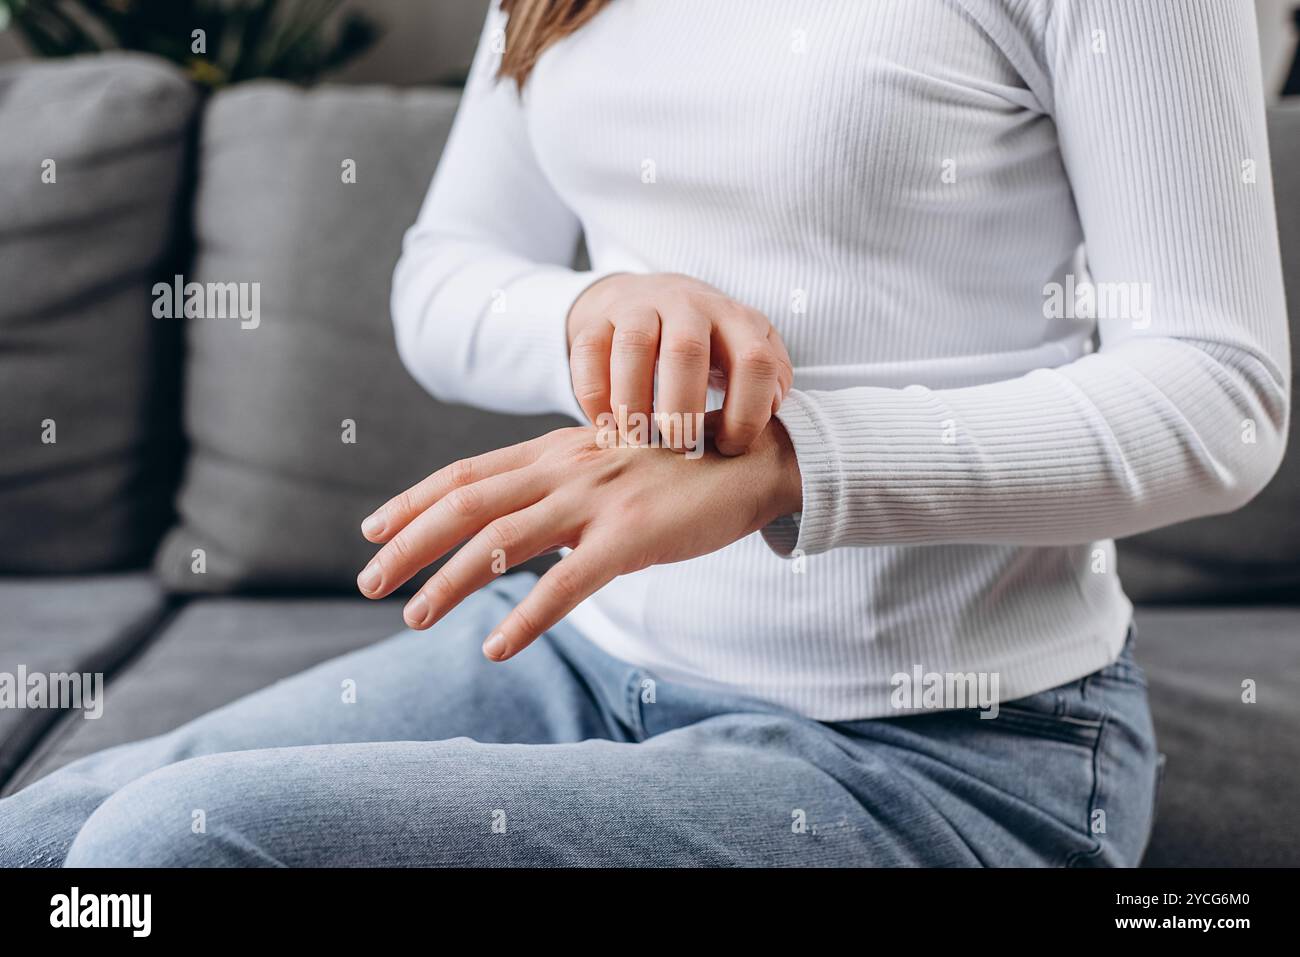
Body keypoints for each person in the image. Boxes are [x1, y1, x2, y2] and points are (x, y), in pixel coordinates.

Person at [1, 0, 1287, 867]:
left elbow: (1220, 396)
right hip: (580, 662)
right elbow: (441, 273)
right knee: (44, 836)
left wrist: (792, 463)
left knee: (173, 846)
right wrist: (592, 310)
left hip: (946, 749)